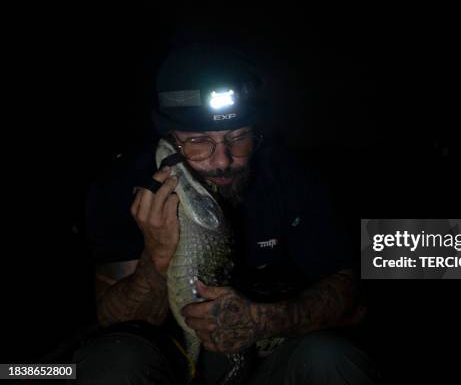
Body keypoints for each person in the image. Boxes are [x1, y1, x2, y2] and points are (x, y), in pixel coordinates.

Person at [73, 44, 380, 384]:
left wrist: (264, 320)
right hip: (169, 361)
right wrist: (156, 258)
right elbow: (117, 322)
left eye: (238, 137)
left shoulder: (289, 174)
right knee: (113, 360)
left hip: (266, 357)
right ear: (169, 139)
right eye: (198, 142)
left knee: (330, 357)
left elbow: (352, 295)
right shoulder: (122, 184)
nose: (222, 160)